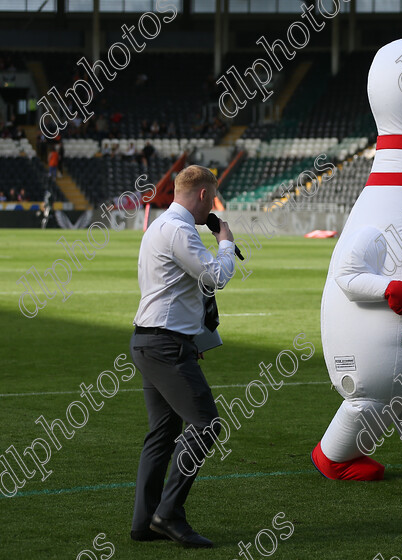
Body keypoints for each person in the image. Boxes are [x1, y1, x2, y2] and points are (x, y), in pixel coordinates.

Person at [129, 165, 236, 548]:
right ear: (206, 197)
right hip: (165, 345)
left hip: (151, 339)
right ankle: (168, 513)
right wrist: (225, 241)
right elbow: (213, 278)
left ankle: (144, 521)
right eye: (213, 197)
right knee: (206, 426)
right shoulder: (179, 229)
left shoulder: (160, 225)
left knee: (162, 433)